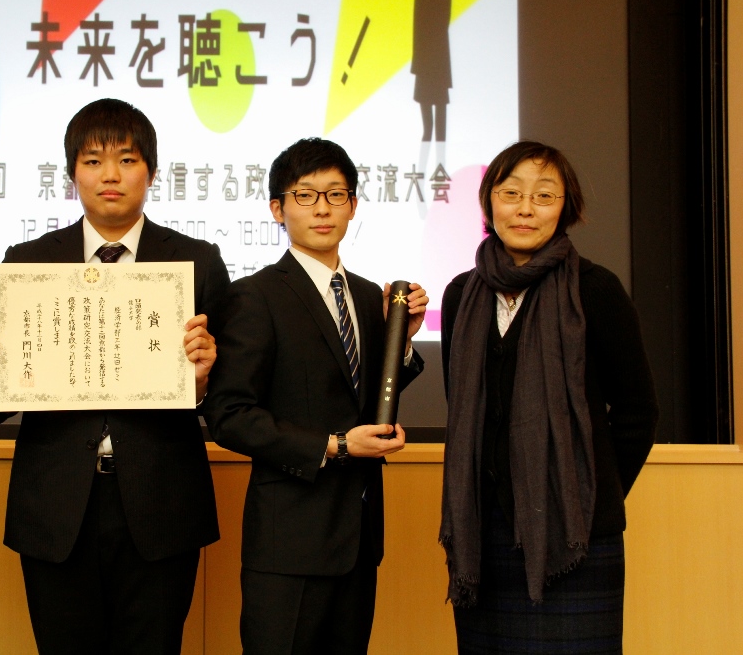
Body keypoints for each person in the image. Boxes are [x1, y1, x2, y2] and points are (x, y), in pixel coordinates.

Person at [0, 98, 229, 654]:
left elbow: (229, 399)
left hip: (160, 505)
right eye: (92, 161)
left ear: (151, 172)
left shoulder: (197, 261)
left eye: (127, 159)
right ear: (72, 174)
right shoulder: (27, 260)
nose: (110, 175)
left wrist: (205, 378)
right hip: (57, 506)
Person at [205, 137, 429, 654]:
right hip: (288, 546)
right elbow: (229, 415)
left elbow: (364, 398)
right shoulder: (254, 296)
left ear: (353, 205)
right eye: (305, 195)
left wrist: (405, 338)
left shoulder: (373, 296)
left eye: (335, 194)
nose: (322, 207)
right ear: (277, 209)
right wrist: (335, 445)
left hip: (359, 538)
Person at [439, 141, 659, 653]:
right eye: (511, 192)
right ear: (489, 201)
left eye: (544, 195)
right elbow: (464, 405)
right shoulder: (461, 294)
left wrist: (581, 492)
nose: (525, 207)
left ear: (566, 207)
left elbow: (638, 412)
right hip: (485, 535)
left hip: (574, 535)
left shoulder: (596, 290)